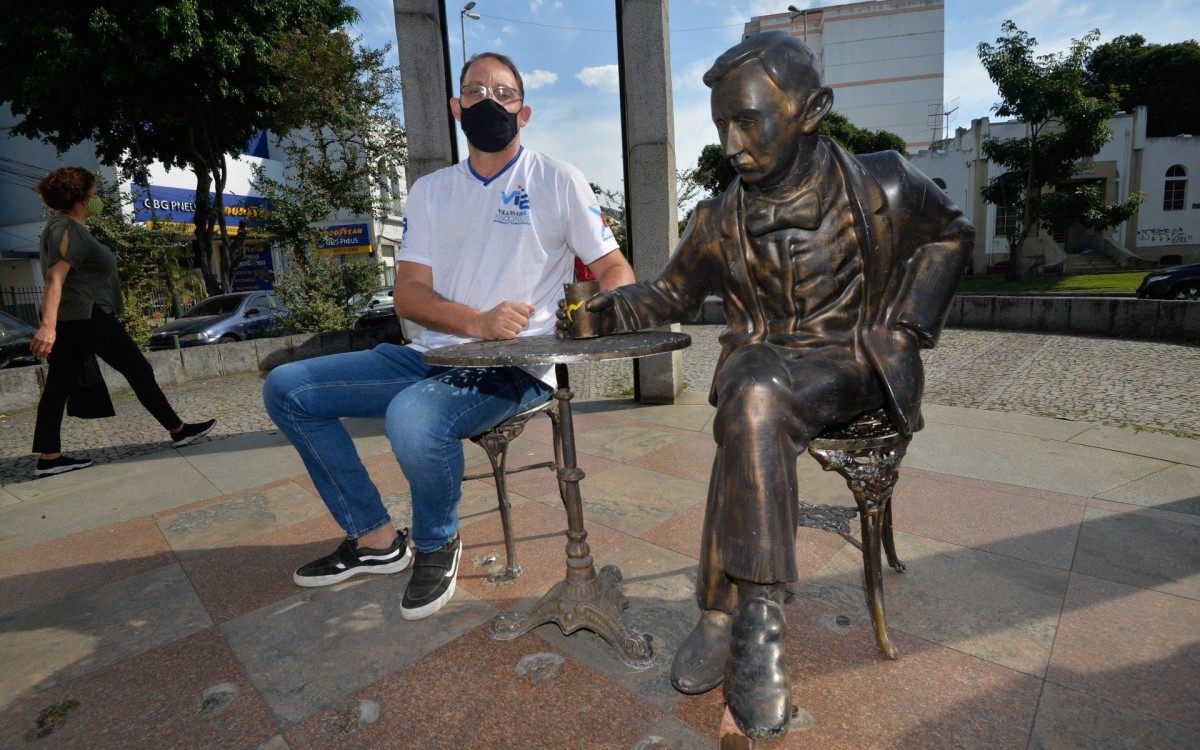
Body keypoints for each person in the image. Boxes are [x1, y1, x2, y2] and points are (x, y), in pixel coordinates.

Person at [571, 32, 973, 740]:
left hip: (851, 365)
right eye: (722, 124)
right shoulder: (718, 219)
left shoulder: (882, 182)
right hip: (771, 371)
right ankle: (738, 614)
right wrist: (613, 308)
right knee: (751, 402)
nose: (731, 142)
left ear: (811, 110)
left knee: (750, 393)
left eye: (748, 120)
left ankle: (740, 618)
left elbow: (950, 235)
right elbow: (667, 295)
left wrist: (907, 329)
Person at [263, 51, 634, 621]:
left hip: (516, 365)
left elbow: (615, 269)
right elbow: (409, 295)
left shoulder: (556, 179)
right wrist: (476, 322)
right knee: (288, 387)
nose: (490, 101)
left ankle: (437, 541)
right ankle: (377, 539)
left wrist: (598, 311)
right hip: (430, 355)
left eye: (504, 92)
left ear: (524, 112)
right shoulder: (432, 191)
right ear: (457, 108)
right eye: (477, 91)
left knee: (412, 418)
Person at [29, 167, 216, 478]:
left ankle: (49, 457)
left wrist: (53, 324)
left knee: (58, 386)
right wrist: (47, 327)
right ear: (79, 198)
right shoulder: (68, 230)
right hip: (88, 316)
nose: (97, 199)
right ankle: (179, 430)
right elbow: (53, 279)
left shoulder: (63, 227)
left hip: (74, 319)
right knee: (138, 369)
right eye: (93, 194)